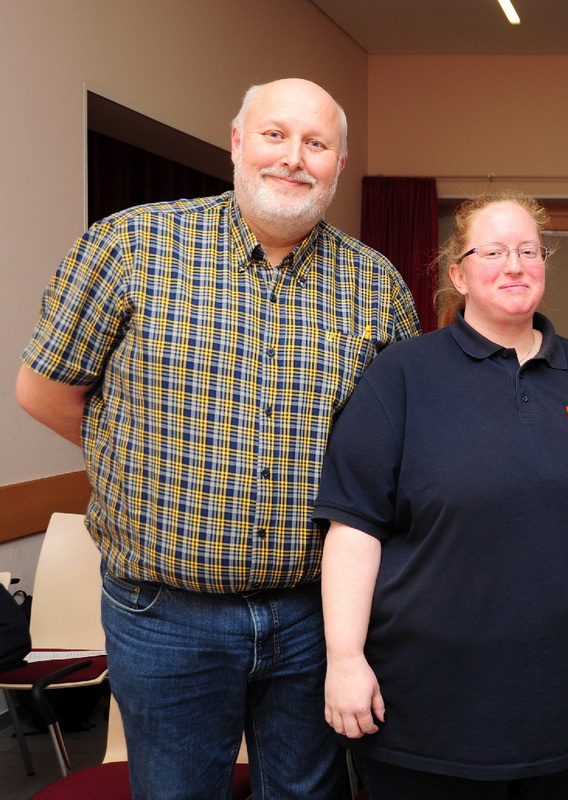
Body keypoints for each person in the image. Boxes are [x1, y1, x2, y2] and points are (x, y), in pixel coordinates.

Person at [16, 78, 420, 799]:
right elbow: (43, 391)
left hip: (313, 615)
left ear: (339, 162)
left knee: (307, 793)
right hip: (165, 613)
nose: (294, 158)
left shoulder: (376, 284)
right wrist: (134, 458)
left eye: (317, 144)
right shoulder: (130, 245)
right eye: (275, 135)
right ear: (237, 142)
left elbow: (398, 443)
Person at [316, 192, 568, 800]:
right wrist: (345, 658)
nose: (514, 265)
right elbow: (354, 530)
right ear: (458, 274)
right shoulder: (403, 375)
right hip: (430, 711)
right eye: (492, 251)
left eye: (527, 250)